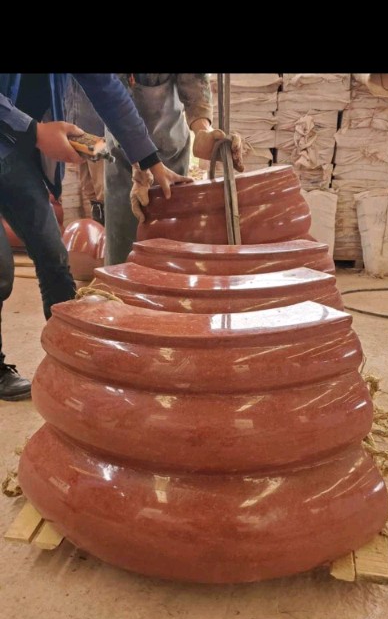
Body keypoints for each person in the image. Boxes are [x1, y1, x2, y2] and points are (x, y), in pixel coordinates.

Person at [0, 73, 192, 401]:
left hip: (15, 152)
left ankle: (71, 358)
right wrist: (36, 131)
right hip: (19, 134)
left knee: (53, 256)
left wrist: (149, 160)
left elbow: (106, 89)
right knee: (1, 272)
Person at [104, 74, 244, 265]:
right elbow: (112, 98)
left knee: (171, 243)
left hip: (171, 144)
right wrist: (140, 167)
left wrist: (203, 130)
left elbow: (193, 78)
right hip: (125, 155)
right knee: (126, 246)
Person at [64, 76, 106, 224]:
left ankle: (112, 233)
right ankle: (101, 229)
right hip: (77, 128)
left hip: (100, 130)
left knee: (104, 190)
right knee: (89, 189)